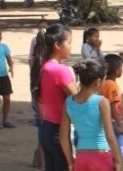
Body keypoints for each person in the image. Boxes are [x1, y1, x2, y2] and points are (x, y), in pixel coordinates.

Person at [31, 24, 79, 171]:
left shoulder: (42, 66)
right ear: (58, 45)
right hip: (60, 132)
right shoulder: (60, 70)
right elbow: (79, 98)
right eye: (69, 43)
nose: (71, 47)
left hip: (46, 128)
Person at [61, 59, 121, 171]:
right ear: (98, 81)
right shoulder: (102, 102)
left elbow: (63, 137)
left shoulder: (68, 102)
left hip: (81, 157)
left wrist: (71, 162)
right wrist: (117, 160)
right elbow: (110, 136)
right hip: (101, 156)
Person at [28, 20, 48, 170]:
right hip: (43, 105)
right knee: (44, 132)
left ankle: (39, 156)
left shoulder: (42, 69)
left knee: (43, 132)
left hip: (40, 101)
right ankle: (40, 158)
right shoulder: (48, 69)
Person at [98, 54, 123, 158]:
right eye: (121, 67)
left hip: (104, 121)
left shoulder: (103, 83)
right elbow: (112, 106)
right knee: (116, 151)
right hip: (112, 121)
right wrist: (119, 124)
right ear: (117, 70)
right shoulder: (112, 85)